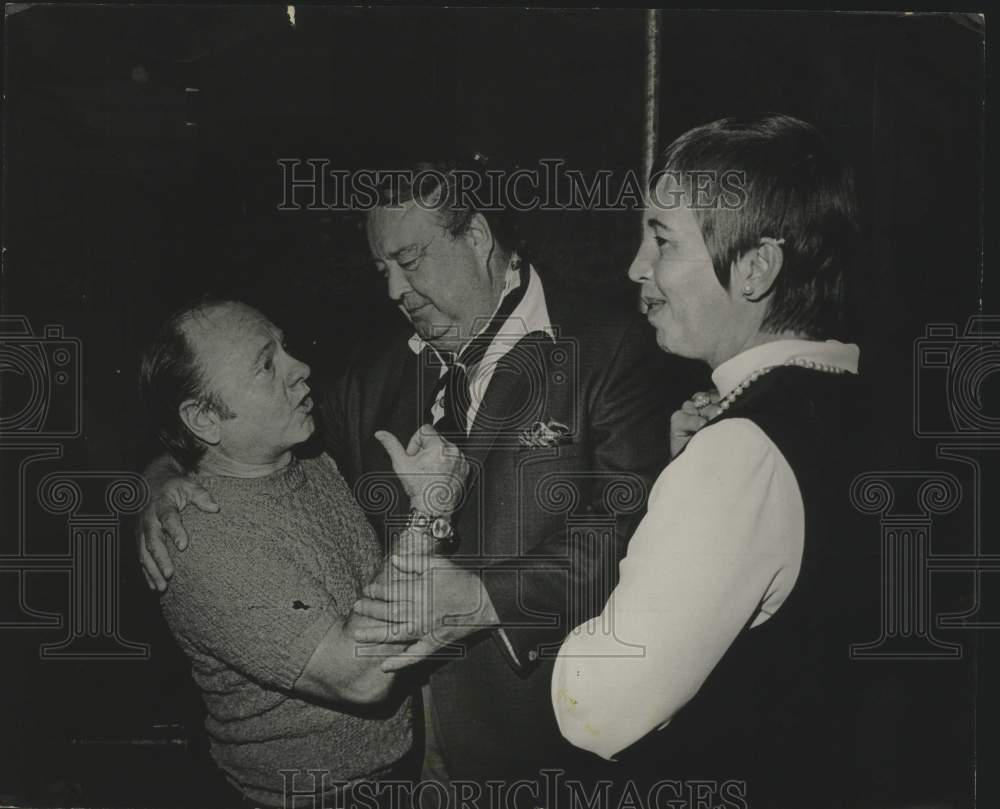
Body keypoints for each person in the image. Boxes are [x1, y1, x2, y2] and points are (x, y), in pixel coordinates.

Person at [138, 158, 700, 790]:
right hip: (403, 753)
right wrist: (162, 476)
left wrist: (489, 599)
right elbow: (244, 431)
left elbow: (636, 528)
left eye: (411, 259)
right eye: (382, 270)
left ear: (478, 236)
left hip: (544, 738)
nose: (394, 290)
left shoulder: (612, 345)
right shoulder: (372, 371)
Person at [551, 114, 872, 806]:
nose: (637, 267)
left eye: (662, 240)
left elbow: (594, 707)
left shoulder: (738, 453)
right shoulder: (852, 398)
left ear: (755, 268)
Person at [138, 298, 466, 809]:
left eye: (285, 347)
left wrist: (157, 473)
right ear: (203, 418)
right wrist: (428, 510)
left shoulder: (306, 458)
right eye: (267, 365)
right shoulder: (201, 545)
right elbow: (361, 676)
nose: (301, 368)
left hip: (396, 771)